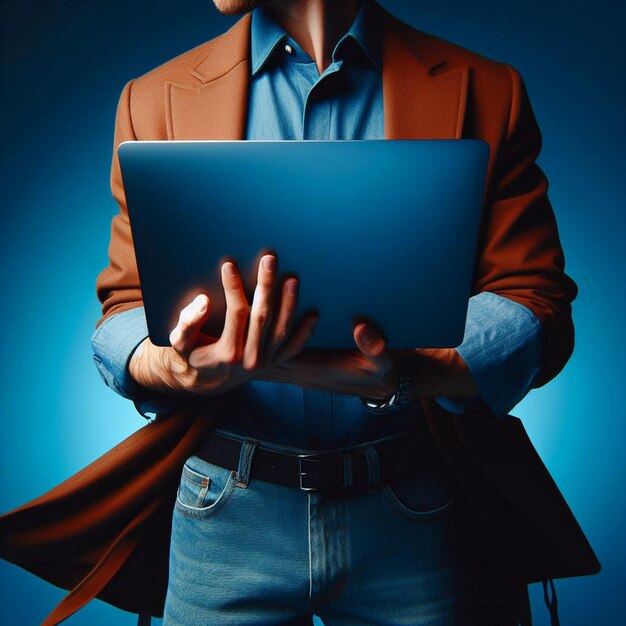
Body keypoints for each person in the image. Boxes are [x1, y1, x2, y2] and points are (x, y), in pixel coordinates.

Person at [0, 0, 600, 625]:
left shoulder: (486, 89)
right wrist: (174, 367)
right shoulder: (154, 97)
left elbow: (536, 307)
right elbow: (124, 309)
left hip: (415, 509)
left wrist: (412, 370)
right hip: (225, 510)